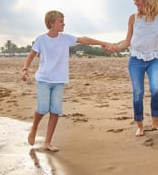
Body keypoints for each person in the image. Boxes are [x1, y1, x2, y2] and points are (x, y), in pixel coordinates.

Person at [21, 10, 113, 152]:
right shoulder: (41, 39)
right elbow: (31, 55)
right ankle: (34, 128)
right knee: (43, 108)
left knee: (55, 110)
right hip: (44, 79)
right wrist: (25, 69)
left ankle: (47, 142)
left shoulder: (65, 38)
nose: (64, 23)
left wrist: (102, 43)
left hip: (59, 80)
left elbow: (84, 40)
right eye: (60, 21)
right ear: (52, 23)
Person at [108, 0, 158, 137]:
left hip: (155, 60)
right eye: (135, 0)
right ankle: (140, 125)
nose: (135, 3)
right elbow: (127, 41)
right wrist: (116, 47)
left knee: (156, 90)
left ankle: (155, 121)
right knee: (138, 92)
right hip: (136, 60)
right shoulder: (133, 18)